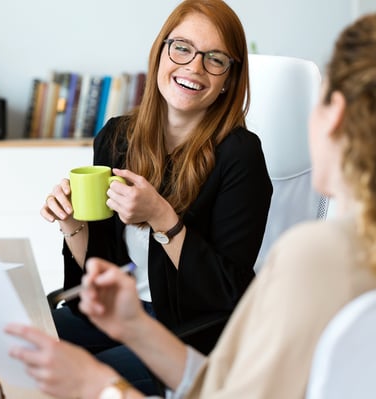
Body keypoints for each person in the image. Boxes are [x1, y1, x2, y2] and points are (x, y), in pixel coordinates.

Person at [8, 10, 376, 398]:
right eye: (182, 48)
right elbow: (223, 383)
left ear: (337, 115)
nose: (194, 66)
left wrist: (98, 386)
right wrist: (132, 322)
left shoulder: (312, 254)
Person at [39, 0, 272, 394]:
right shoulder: (116, 138)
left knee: (73, 379)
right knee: (22, 346)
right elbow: (102, 269)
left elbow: (230, 293)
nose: (194, 68)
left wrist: (164, 219)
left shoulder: (240, 155)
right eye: (181, 48)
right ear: (160, 51)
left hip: (185, 334)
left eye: (214, 59)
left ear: (229, 78)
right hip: (115, 315)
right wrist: (72, 223)